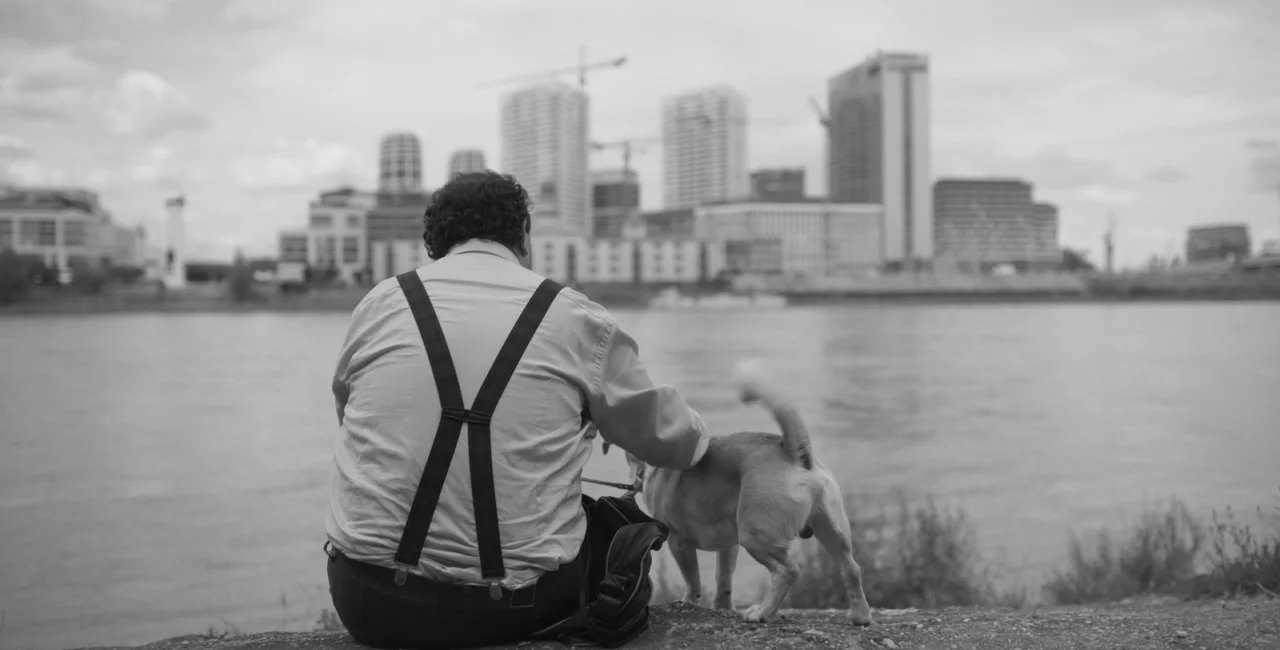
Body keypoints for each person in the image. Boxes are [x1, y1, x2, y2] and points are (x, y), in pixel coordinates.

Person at [324, 170, 710, 649]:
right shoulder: (573, 316)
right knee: (610, 527)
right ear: (524, 235)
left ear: (434, 243)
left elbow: (349, 414)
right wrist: (700, 440)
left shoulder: (379, 303)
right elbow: (669, 439)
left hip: (367, 600)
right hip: (512, 610)